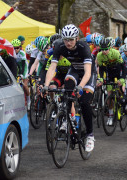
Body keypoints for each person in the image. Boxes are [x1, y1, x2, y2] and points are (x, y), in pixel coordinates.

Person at [43, 24, 96, 152]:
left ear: (77, 38)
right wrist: (45, 85)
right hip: (74, 70)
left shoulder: (84, 48)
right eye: (66, 39)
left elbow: (88, 72)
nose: (68, 43)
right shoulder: (60, 46)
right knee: (67, 89)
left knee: (84, 102)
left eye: (71, 39)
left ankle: (90, 135)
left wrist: (80, 87)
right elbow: (52, 67)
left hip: (88, 73)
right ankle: (68, 117)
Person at [96, 37, 126, 125]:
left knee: (121, 90)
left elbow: (123, 66)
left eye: (106, 49)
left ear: (110, 48)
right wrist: (100, 78)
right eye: (102, 49)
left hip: (119, 72)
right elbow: (101, 69)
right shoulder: (99, 55)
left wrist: (122, 78)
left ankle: (123, 102)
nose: (104, 51)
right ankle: (110, 115)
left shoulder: (116, 53)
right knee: (109, 95)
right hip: (110, 73)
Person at [12, 39, 30, 106]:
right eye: (14, 48)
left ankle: (28, 99)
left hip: (24, 67)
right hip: (18, 67)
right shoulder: (12, 53)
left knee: (25, 85)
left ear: (20, 47)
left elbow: (23, 64)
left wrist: (22, 74)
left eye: (17, 48)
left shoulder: (22, 53)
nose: (16, 49)